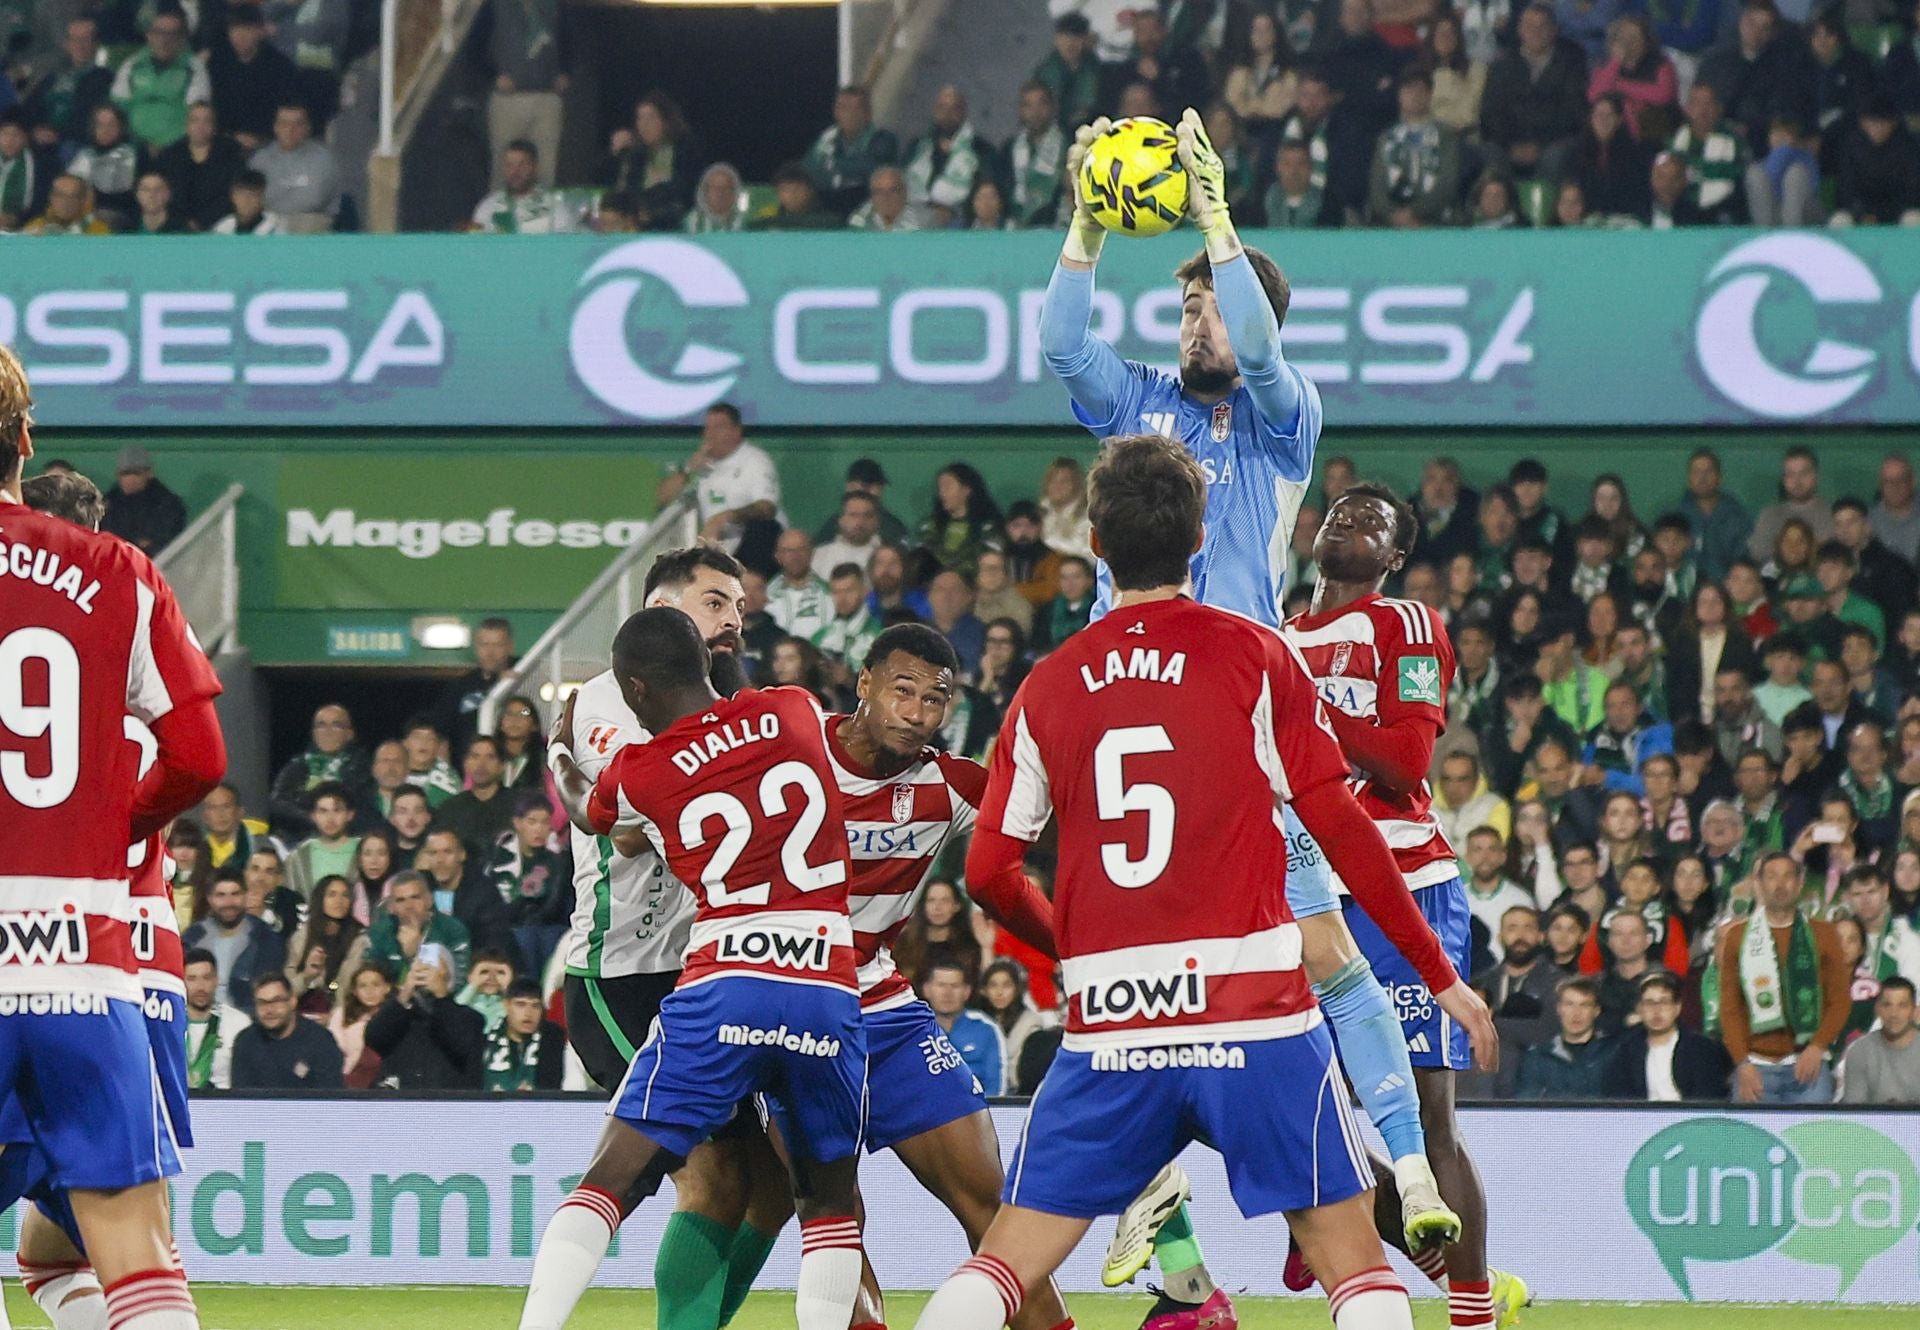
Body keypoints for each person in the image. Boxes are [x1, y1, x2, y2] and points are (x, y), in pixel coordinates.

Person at [929, 433, 1490, 1330]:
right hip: (1254, 1007)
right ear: (1201, 541)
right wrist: (1441, 974)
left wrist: (1076, 947)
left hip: (1116, 1015)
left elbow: (991, 872)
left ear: (1096, 546)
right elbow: (1345, 826)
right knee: (1355, 1266)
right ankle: (1400, 1202)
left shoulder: (1047, 684)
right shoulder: (1260, 653)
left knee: (1003, 1262)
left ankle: (1182, 1271)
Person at [528, 607, 871, 1330]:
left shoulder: (641, 770)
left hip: (725, 982)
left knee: (611, 1178)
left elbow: (596, 821)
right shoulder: (795, 707)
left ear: (634, 688)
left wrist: (561, 753)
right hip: (825, 982)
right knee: (828, 1207)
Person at [1720, 852, 1851, 1103]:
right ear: (1759, 884)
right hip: (1755, 1066)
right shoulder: (1738, 936)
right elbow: (1730, 1008)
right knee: (1748, 1140)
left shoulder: (1823, 933)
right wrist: (1742, 1063)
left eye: (1787, 876)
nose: (1780, 885)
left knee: (1813, 1140)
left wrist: (1818, 1046)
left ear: (1800, 883)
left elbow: (1840, 1000)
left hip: (1808, 1063)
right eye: (1771, 877)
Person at [653, 402, 785, 561]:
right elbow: (663, 497)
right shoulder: (702, 469)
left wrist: (724, 518)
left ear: (736, 431)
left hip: (758, 549)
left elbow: (766, 508)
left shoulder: (754, 460)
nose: (711, 434)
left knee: (762, 529)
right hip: (718, 554)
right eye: (708, 428)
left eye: (718, 427)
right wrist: (689, 468)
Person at [363, 944, 486, 1090]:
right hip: (399, 1103)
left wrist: (441, 995)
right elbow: (374, 1038)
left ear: (448, 974)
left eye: (433, 967)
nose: (425, 973)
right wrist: (405, 993)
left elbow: (461, 1044)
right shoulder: (401, 1015)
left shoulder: (470, 1018)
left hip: (446, 1105)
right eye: (420, 967)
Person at [182, 873, 287, 1016]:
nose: (228, 902)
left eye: (235, 894)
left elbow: (269, 992)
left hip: (247, 1021)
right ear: (210, 899)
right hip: (195, 1019)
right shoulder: (192, 937)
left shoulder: (266, 939)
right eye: (221, 895)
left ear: (245, 896)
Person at [229, 972, 345, 1089]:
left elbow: (330, 1097)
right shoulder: (246, 1041)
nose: (269, 1009)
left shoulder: (320, 1041)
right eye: (262, 1003)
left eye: (276, 1001)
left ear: (292, 1001)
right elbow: (242, 1097)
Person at [805, 84, 898, 218]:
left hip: (867, 209)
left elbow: (869, 168)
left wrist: (829, 167)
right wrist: (839, 173)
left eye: (853, 108)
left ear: (868, 113)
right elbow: (807, 170)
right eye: (841, 107)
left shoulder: (883, 139)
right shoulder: (827, 139)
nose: (847, 113)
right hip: (827, 206)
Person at [1515, 977, 1615, 1098]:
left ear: (1596, 1011)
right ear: (1559, 1009)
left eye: (1584, 1005)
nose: (1576, 1013)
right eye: (1569, 1004)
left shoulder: (1613, 1054)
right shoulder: (1537, 1058)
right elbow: (1527, 1105)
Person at [1840, 977, 1920, 1104]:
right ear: (1877, 1009)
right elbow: (1854, 1111)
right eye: (1887, 1005)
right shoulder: (1860, 1051)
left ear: (1915, 1012)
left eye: (1902, 1006)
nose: (1894, 1014)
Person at [183, 947, 250, 1091]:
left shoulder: (240, 1023)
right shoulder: (169, 1023)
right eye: (192, 979)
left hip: (226, 1107)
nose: (200, 987)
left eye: (206, 978)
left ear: (216, 980)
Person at [101, 444, 187, 553]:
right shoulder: (109, 502)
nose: (130, 479)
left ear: (149, 473)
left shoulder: (168, 504)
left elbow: (165, 544)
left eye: (136, 473)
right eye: (125, 473)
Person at [484, 978, 567, 1091]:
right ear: (506, 1005)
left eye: (535, 1006)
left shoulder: (554, 1040)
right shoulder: (486, 1041)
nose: (528, 1013)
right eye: (520, 1004)